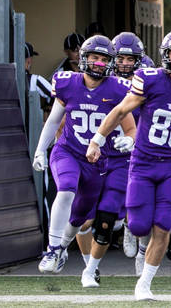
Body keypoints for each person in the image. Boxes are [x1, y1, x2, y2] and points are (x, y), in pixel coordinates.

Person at [88, 29, 171, 300]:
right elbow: (120, 111)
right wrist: (97, 140)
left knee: (163, 225)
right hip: (144, 163)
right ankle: (131, 229)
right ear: (166, 56)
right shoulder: (149, 80)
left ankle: (144, 284)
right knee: (138, 226)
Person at [31, 36, 136, 285]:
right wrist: (39, 150)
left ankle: (62, 247)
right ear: (84, 58)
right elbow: (54, 120)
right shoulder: (68, 83)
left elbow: (131, 128)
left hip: (97, 160)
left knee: (80, 216)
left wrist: (129, 141)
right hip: (67, 151)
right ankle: (53, 249)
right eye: (94, 57)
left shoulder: (118, 88)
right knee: (66, 190)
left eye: (103, 59)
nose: (98, 63)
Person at [108, 32, 146, 260]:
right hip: (112, 144)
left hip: (140, 143)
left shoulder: (145, 81)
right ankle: (121, 221)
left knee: (136, 190)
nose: (124, 64)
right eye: (120, 59)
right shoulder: (106, 81)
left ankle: (131, 226)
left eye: (129, 60)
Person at [24, 42, 54, 110]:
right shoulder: (34, 80)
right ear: (29, 61)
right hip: (29, 120)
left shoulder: (5, 78)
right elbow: (59, 96)